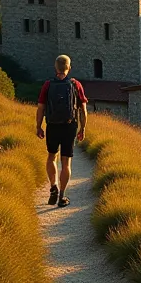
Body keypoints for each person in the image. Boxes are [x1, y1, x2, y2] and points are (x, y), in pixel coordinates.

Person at [37, 54, 87, 207]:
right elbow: (83, 110)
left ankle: (53, 187)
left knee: (52, 157)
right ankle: (62, 196)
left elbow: (41, 108)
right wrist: (82, 128)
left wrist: (38, 126)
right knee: (66, 162)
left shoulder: (47, 85)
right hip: (69, 126)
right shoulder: (75, 84)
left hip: (52, 125)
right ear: (69, 68)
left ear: (55, 68)